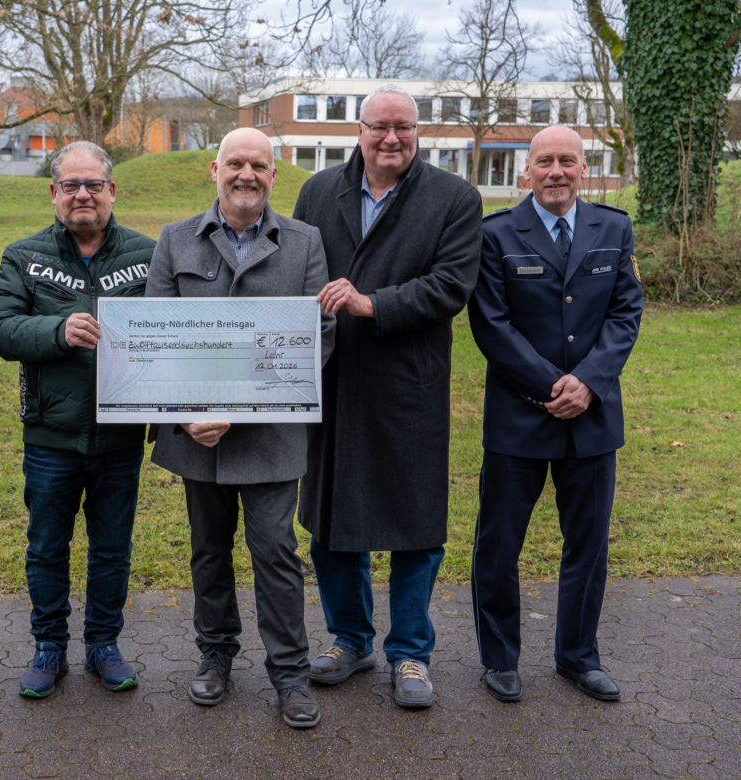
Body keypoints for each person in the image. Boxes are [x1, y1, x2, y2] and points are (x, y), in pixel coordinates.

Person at [292, 84, 483, 709]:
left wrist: (373, 303)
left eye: (404, 127)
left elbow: (451, 285)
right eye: (380, 126)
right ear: (359, 130)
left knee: (413, 524)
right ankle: (350, 639)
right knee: (330, 521)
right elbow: (295, 274)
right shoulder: (319, 191)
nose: (392, 138)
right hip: (331, 380)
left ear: (418, 131)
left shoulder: (454, 198)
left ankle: (410, 653)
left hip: (409, 384)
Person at [145, 127, 335, 729]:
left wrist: (241, 408)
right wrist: (187, 414)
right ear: (214, 170)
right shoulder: (176, 240)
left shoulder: (305, 242)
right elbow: (152, 339)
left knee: (276, 552)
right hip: (197, 436)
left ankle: (290, 674)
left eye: (258, 164)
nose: (246, 174)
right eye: (236, 164)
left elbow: (318, 338)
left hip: (273, 436)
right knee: (208, 552)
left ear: (274, 175)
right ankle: (216, 656)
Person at [468, 125, 643, 703]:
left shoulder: (613, 228)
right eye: (544, 162)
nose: (556, 172)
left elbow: (625, 314)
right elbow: (490, 324)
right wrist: (551, 385)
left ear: (584, 169)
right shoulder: (495, 234)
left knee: (588, 548)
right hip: (519, 416)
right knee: (498, 545)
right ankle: (499, 659)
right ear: (527, 172)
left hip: (592, 418)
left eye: (568, 161)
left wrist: (588, 383)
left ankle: (578, 657)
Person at [0, 141, 156, 698]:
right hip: (51, 435)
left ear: (112, 191)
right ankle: (48, 646)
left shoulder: (149, 255)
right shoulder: (23, 255)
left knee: (112, 547)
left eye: (95, 185)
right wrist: (56, 332)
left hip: (121, 434)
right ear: (54, 192)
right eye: (72, 185)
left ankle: (104, 643)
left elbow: (175, 329)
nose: (84, 195)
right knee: (47, 546)